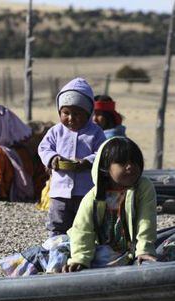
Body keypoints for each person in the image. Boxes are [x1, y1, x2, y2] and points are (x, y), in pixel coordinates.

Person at [63, 137, 156, 272]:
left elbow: (146, 221)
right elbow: (83, 229)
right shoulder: (94, 197)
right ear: (106, 167)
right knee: (60, 249)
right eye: (122, 163)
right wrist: (80, 259)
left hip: (133, 247)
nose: (130, 166)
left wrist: (144, 250)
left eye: (134, 162)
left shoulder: (143, 187)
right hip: (102, 247)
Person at [38, 77, 106, 237]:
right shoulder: (56, 131)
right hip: (60, 190)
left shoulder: (95, 132)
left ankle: (83, 250)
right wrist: (52, 158)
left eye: (77, 113)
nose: (70, 118)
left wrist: (88, 161)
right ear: (59, 111)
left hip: (85, 191)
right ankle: (57, 249)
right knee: (58, 222)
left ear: (88, 113)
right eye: (66, 113)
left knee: (84, 223)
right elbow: (44, 148)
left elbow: (103, 152)